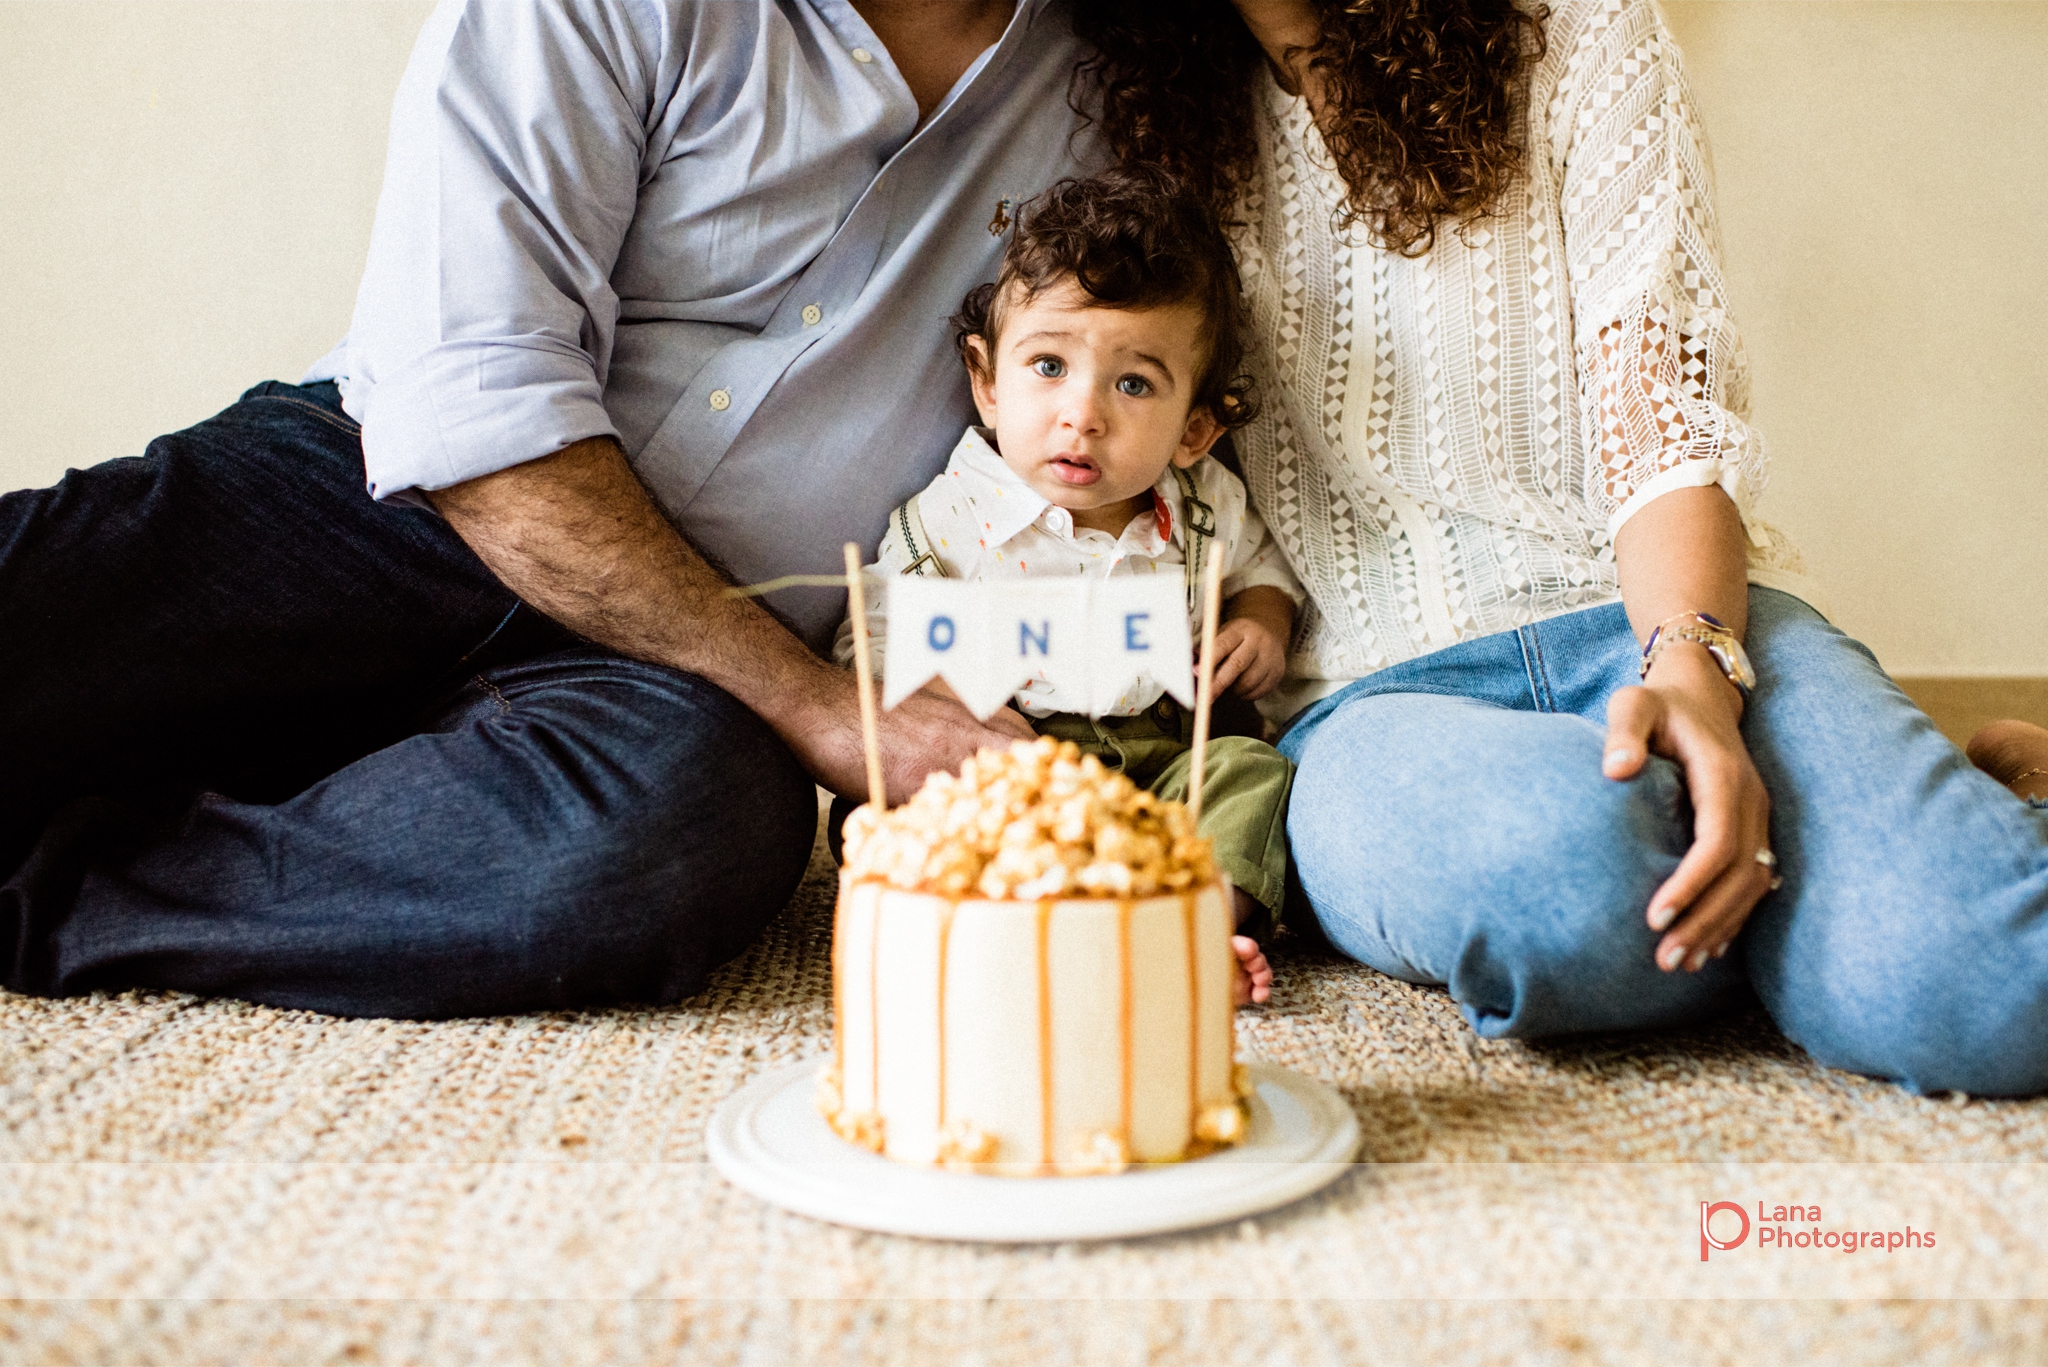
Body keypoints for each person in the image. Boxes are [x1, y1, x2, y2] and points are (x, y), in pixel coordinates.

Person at [0, 0, 1104, 1019]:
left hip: (673, 676)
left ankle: (56, 886)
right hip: (372, 496)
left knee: (663, 846)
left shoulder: (1123, 84)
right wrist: (819, 706)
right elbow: (473, 405)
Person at [1074, 0, 2048, 1094]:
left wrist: (1693, 668)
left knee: (1982, 988)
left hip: (1673, 611)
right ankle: (1896, 860)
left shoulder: (1584, 34)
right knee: (1569, 883)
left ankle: (1946, 847)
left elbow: (1658, 417)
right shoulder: (1150, 122)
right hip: (1366, 702)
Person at [836, 169, 1308, 1004]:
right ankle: (994, 932)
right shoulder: (957, 512)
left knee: (1248, 772)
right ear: (987, 382)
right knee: (881, 809)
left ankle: (1192, 930)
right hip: (1003, 755)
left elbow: (1264, 572)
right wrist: (941, 691)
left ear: (1195, 428)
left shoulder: (1203, 508)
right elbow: (869, 629)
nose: (1081, 413)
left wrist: (1259, 624)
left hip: (1157, 765)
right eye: (1048, 365)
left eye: (1133, 384)